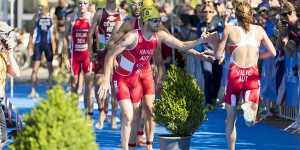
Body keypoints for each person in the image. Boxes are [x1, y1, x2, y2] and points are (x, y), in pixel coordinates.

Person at [98, 7, 217, 150]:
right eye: (155, 21)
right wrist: (106, 80)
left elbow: (181, 45)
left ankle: (131, 146)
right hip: (122, 79)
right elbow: (110, 55)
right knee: (129, 115)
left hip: (136, 80)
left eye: (159, 20)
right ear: (145, 22)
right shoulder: (132, 36)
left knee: (137, 115)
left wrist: (200, 41)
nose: (158, 23)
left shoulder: (159, 35)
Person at [214, 2, 276, 150]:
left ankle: (231, 149)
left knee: (231, 118)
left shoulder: (230, 29)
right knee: (250, 122)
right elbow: (273, 52)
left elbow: (217, 55)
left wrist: (215, 42)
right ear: (252, 15)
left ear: (236, 15)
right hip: (251, 76)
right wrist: (258, 56)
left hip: (234, 76)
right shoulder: (259, 30)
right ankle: (247, 106)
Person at [88, 0, 128, 130]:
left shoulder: (122, 13)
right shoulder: (99, 13)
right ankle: (101, 113)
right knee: (99, 83)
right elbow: (90, 33)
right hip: (102, 52)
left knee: (116, 88)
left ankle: (113, 118)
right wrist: (90, 53)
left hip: (117, 54)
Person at [64, 0, 95, 116]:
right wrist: (65, 57)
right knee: (74, 84)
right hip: (74, 55)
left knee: (89, 84)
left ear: (89, 4)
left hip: (87, 55)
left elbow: (97, 36)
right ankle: (73, 114)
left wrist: (95, 53)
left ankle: (89, 115)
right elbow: (64, 37)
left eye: (85, 3)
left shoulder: (92, 17)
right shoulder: (70, 18)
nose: (82, 5)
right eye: (80, 3)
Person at [28, 0, 57, 98]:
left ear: (46, 7)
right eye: (39, 6)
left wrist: (56, 48)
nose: (40, 8)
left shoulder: (52, 17)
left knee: (49, 67)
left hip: (48, 44)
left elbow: (55, 33)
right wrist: (29, 48)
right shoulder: (36, 17)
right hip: (38, 44)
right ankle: (33, 89)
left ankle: (51, 88)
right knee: (35, 67)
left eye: (41, 6)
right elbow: (31, 33)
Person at [0, 21, 20, 149]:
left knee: (2, 140)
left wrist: (9, 54)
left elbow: (15, 73)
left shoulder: (3, 54)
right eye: (7, 34)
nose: (9, 37)